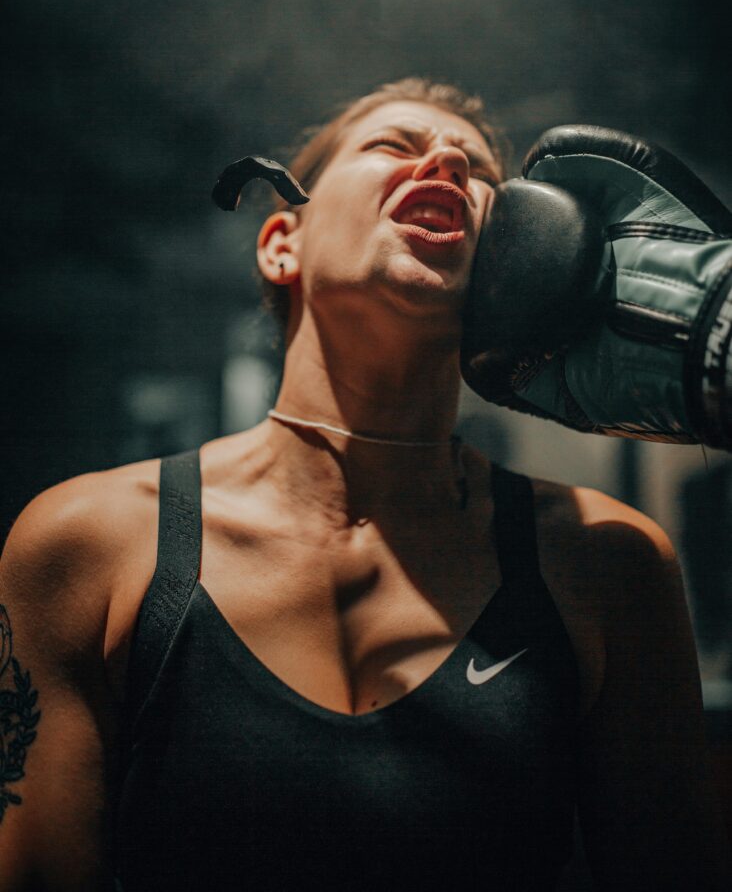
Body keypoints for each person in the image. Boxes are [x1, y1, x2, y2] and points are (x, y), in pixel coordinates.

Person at [0, 78, 727, 891]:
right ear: (283, 242)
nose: (447, 158)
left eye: (479, 172)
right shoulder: (88, 543)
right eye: (395, 145)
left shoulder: (607, 564)